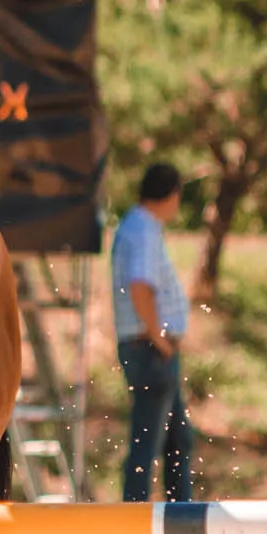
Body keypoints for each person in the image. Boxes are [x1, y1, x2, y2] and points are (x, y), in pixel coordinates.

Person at [111, 163, 193, 504]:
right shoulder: (144, 229)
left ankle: (180, 521)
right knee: (148, 446)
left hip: (147, 347)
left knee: (178, 440)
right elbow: (141, 285)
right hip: (150, 349)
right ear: (171, 194)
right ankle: (139, 524)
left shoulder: (135, 225)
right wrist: (159, 336)